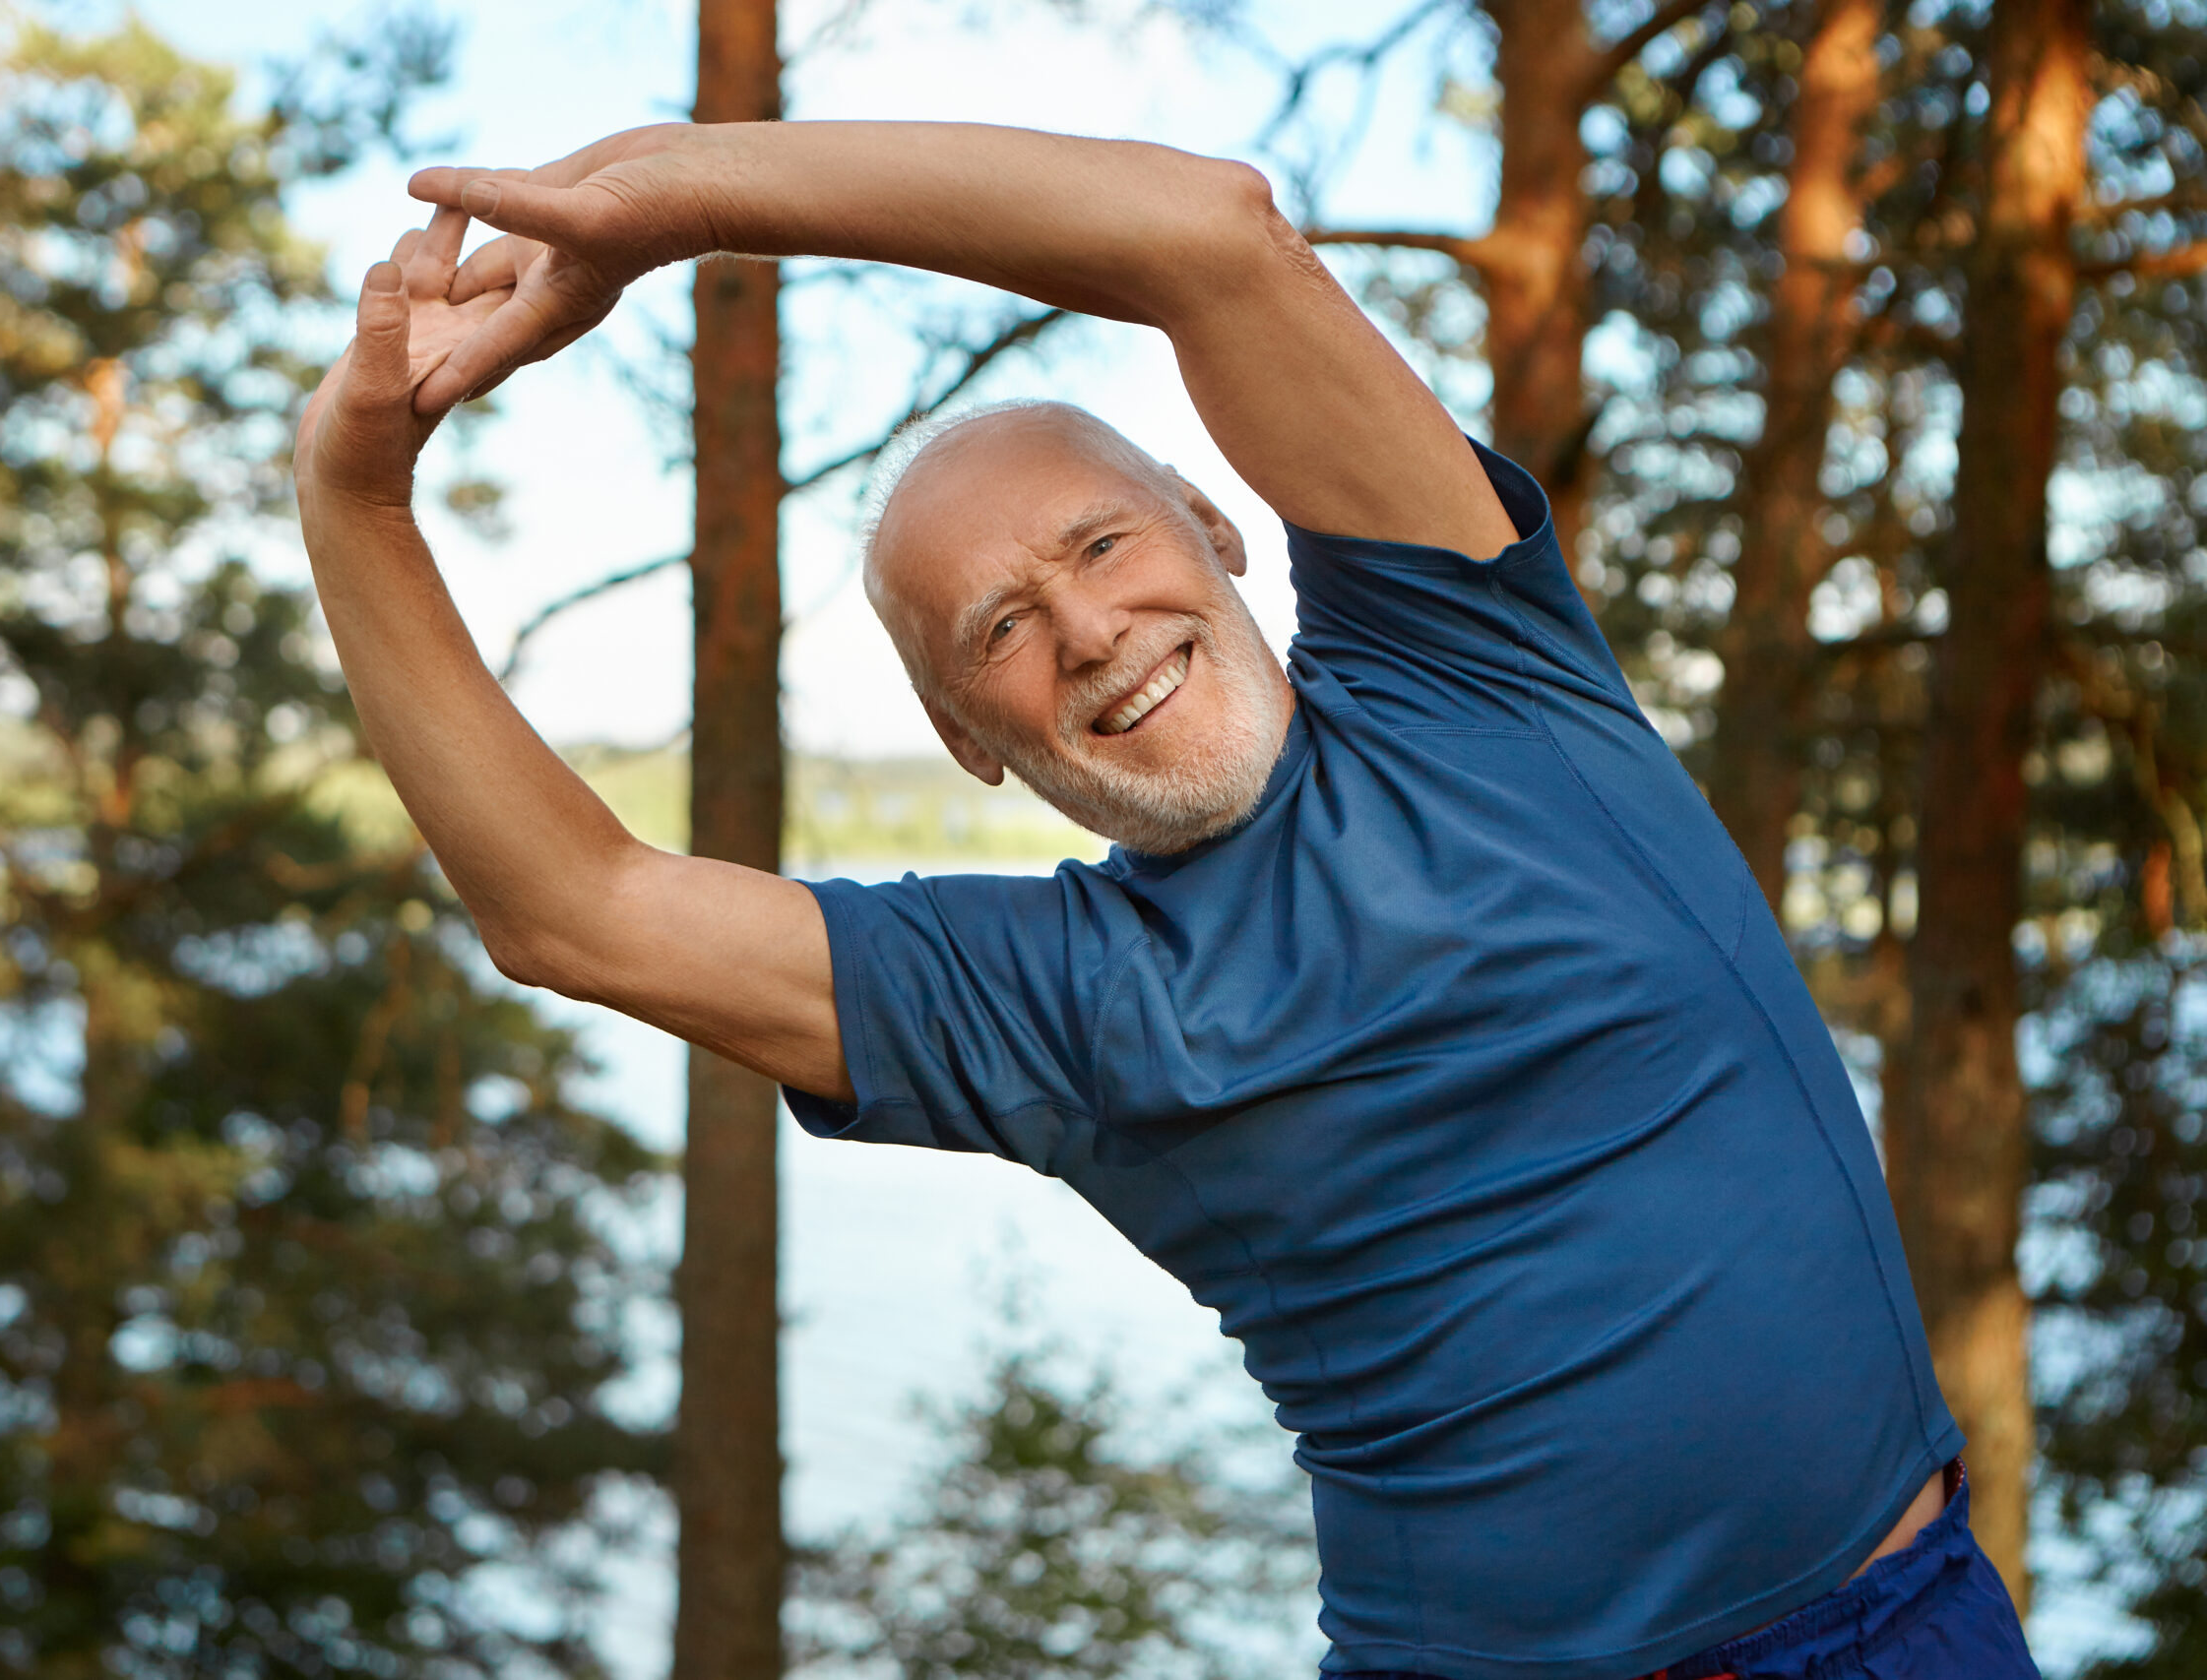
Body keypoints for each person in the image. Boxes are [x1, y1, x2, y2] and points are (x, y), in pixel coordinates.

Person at [292, 121, 2041, 1680]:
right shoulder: (1046, 997)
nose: (1086, 632)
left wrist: (665, 188)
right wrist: (352, 489)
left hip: (1913, 1624)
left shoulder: (1478, 673)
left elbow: (1208, 233)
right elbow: (574, 908)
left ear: (1214, 522)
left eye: (1102, 545)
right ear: (964, 736)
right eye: (996, 631)